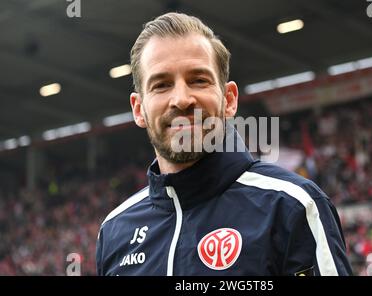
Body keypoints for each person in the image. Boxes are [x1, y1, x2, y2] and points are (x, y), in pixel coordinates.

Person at [96, 12, 352, 276]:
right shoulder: (115, 230)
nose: (182, 99)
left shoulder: (293, 206)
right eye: (161, 85)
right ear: (139, 109)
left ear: (229, 99)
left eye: (198, 80)